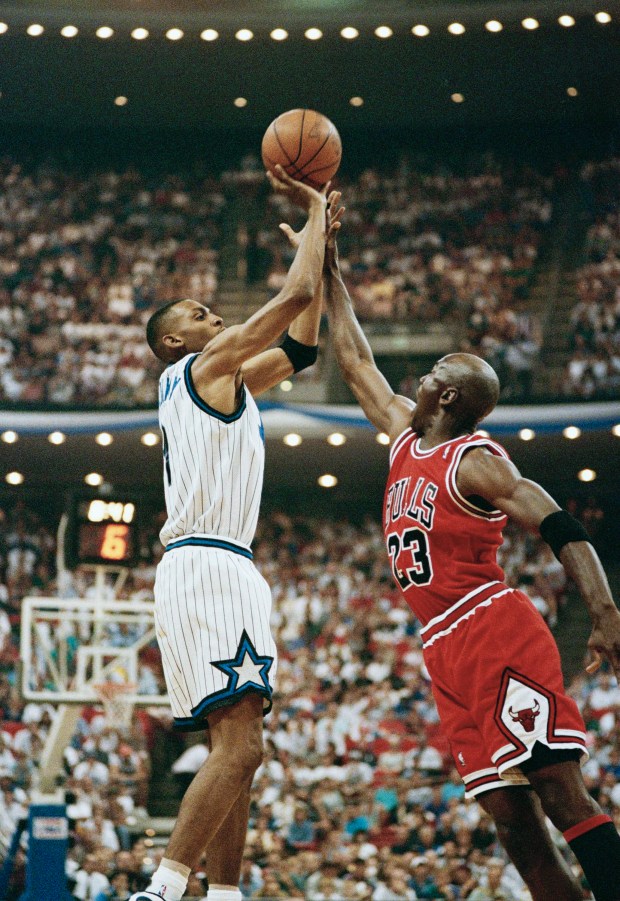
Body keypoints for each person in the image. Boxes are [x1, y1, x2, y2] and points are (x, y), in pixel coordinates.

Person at [323, 210, 620, 900]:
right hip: (443, 645)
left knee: (558, 788)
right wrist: (330, 266)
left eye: (432, 372)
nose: (420, 378)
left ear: (448, 395)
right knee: (512, 823)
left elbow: (559, 521)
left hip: (492, 625)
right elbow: (356, 361)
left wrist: (605, 611)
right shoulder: (403, 435)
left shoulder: (475, 459)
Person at [133, 167, 341, 901]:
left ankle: (222, 893)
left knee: (236, 749)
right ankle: (161, 887)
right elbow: (294, 297)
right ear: (171, 339)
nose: (209, 312)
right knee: (244, 743)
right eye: (194, 310)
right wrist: (315, 215)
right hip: (210, 567)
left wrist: (325, 253)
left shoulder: (225, 380)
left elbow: (305, 347)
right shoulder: (201, 366)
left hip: (212, 566)